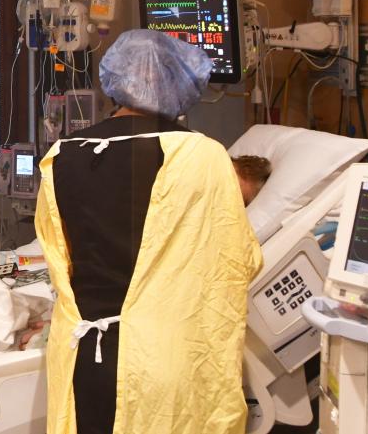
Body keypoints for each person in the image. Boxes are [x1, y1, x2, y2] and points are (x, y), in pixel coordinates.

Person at [35, 29, 263, 434]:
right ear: (180, 84)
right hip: (163, 365)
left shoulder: (61, 154)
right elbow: (237, 260)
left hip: (83, 357)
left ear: (116, 82)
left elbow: (58, 255)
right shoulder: (201, 155)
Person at [0, 155, 272, 271]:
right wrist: (5, 262)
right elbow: (69, 259)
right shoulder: (147, 204)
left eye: (235, 196)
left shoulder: (197, 243)